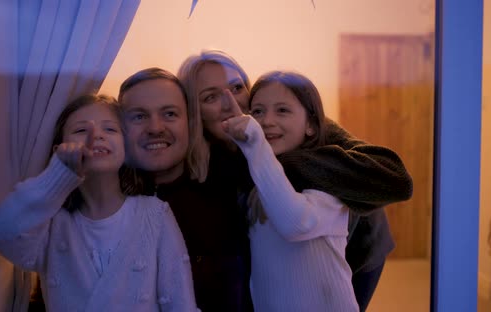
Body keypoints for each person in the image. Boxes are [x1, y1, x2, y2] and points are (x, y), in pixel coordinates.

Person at [177, 50, 413, 312]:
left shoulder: (289, 125)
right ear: (193, 112)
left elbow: (395, 177)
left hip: (357, 249)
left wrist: (280, 160)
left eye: (237, 87)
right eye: (210, 96)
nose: (230, 102)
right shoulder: (207, 158)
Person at [0, 94, 197, 312]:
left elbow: (181, 305)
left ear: (125, 147)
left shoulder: (155, 214)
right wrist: (58, 174)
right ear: (58, 150)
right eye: (80, 130)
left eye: (110, 129)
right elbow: (3, 233)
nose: (96, 135)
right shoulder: (51, 224)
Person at [118, 68, 252, 311]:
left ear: (191, 123)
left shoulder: (233, 181)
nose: (155, 128)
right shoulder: (101, 200)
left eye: (169, 114)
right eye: (139, 117)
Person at [223, 71, 358, 311]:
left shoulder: (329, 175)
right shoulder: (261, 176)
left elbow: (295, 222)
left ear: (311, 126)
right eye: (258, 111)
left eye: (282, 110)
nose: (266, 121)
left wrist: (255, 143)